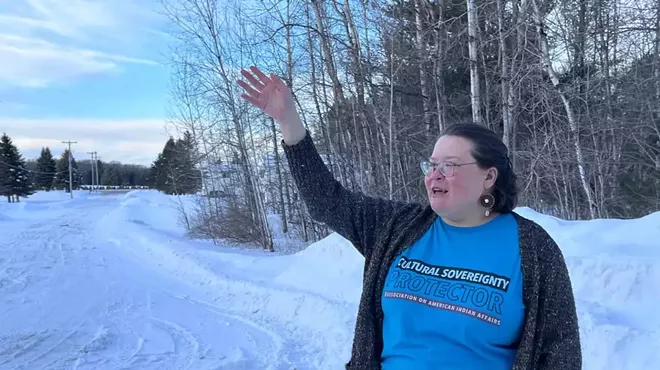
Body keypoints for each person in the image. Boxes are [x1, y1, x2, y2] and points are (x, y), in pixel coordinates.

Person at [237, 66, 582, 370]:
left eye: (449, 166)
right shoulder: (398, 228)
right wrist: (288, 120)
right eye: (431, 166)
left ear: (489, 177)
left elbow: (560, 352)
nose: (434, 176)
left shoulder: (533, 249)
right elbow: (326, 201)